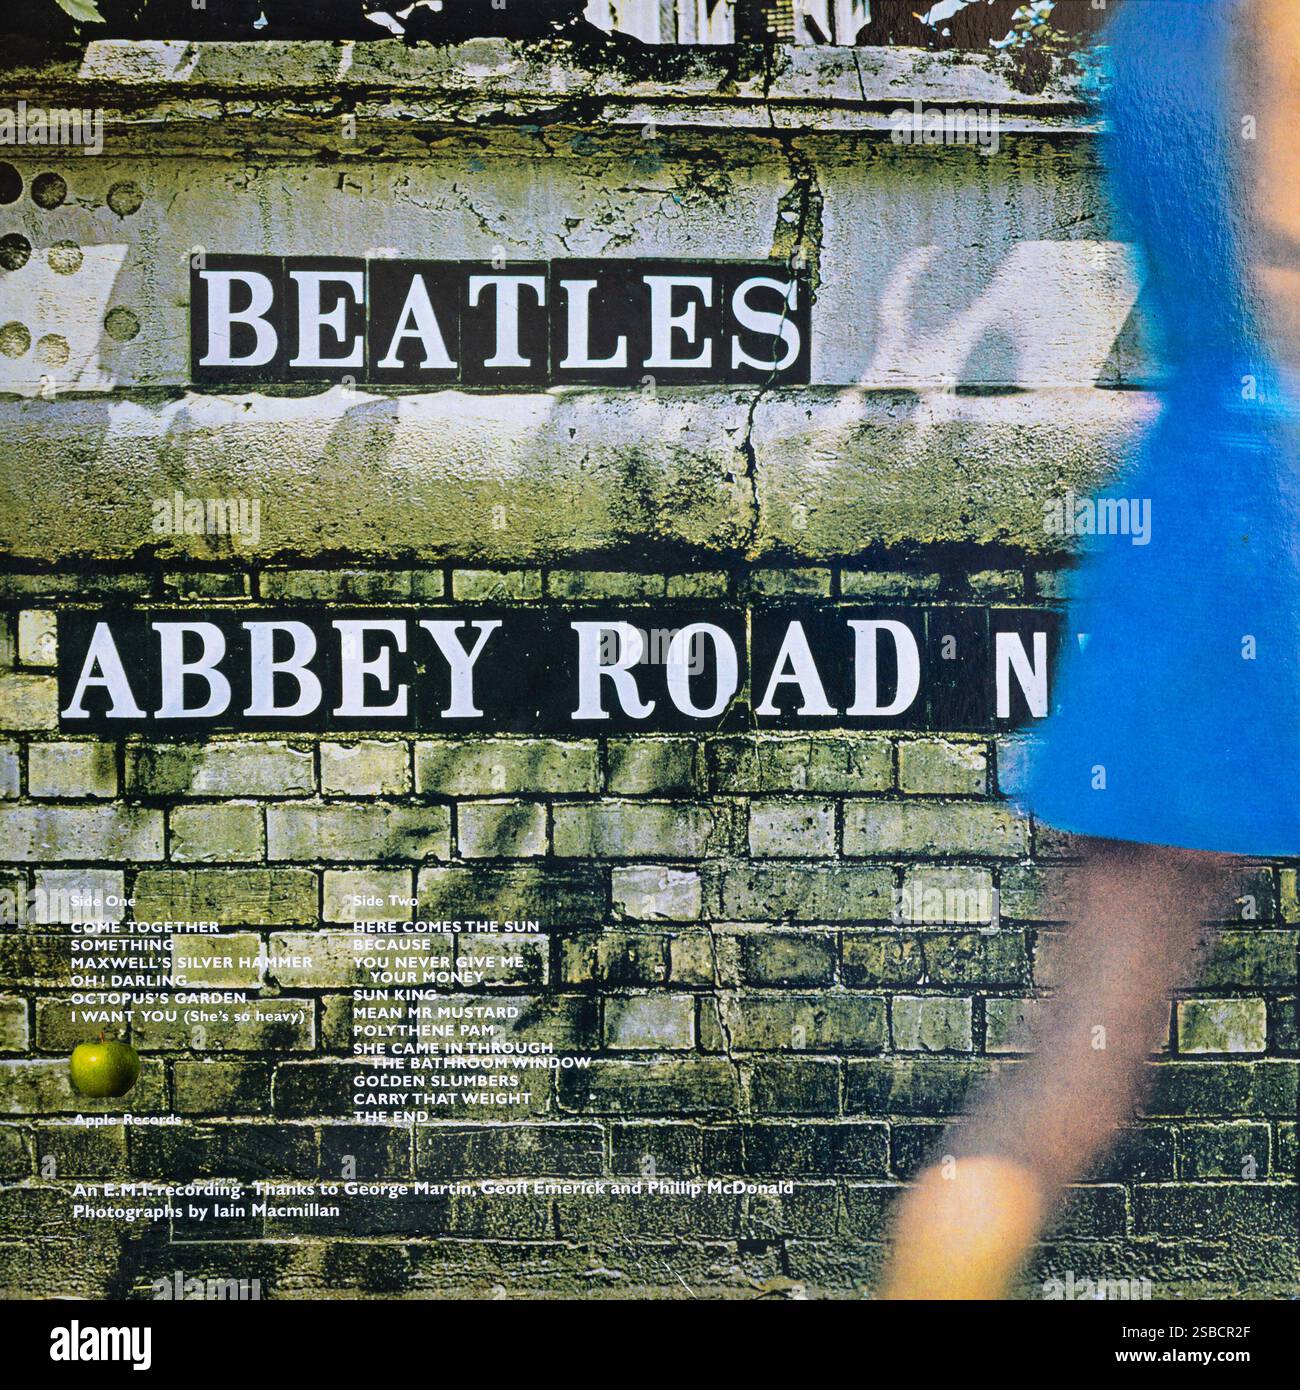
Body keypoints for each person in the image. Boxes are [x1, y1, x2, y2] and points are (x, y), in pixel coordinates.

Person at [881, 0, 1300, 1299]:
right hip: (1279, 506)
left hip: (1184, 514)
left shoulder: (1151, 23)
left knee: (1065, 1087)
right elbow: (1287, 251)